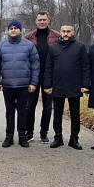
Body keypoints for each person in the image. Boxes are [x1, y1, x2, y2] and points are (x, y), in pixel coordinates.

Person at [43, 25, 90, 149]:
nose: (66, 33)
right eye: (63, 31)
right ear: (60, 32)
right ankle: (58, 138)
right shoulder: (54, 48)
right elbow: (48, 68)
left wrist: (85, 84)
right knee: (57, 114)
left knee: (75, 115)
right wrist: (48, 85)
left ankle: (74, 139)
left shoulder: (80, 47)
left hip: (75, 85)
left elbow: (85, 66)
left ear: (73, 33)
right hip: (57, 85)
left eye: (68, 31)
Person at [0, 20, 39, 148]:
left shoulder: (29, 46)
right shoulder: (1, 46)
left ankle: (23, 137)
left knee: (22, 112)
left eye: (16, 28)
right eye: (11, 28)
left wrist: (33, 83)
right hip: (8, 85)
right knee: (9, 112)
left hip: (23, 85)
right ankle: (9, 137)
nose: (13, 30)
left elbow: (35, 65)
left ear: (20, 30)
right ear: (8, 31)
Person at [24, 12, 61, 143]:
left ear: (48, 20)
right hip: (33, 74)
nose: (42, 22)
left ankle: (43, 133)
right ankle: (29, 133)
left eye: (44, 20)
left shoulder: (56, 36)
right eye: (40, 20)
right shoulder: (29, 37)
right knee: (30, 106)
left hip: (49, 75)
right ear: (36, 21)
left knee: (47, 107)